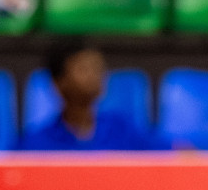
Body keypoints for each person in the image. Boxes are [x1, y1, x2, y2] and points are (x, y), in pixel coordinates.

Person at [18, 39, 165, 151]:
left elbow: (171, 154)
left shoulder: (122, 129)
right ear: (58, 82)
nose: (94, 76)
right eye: (84, 69)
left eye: (98, 68)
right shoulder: (34, 145)